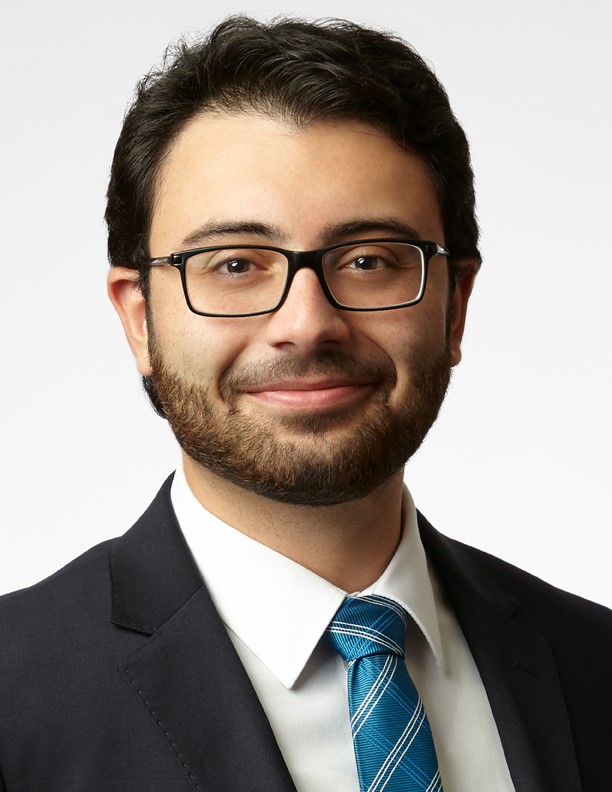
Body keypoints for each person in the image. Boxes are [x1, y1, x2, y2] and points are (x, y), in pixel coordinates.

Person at [0, 15, 610, 792]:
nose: (307, 324)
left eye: (368, 260)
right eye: (234, 264)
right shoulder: (15, 697)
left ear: (455, 305)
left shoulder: (593, 667)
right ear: (139, 318)